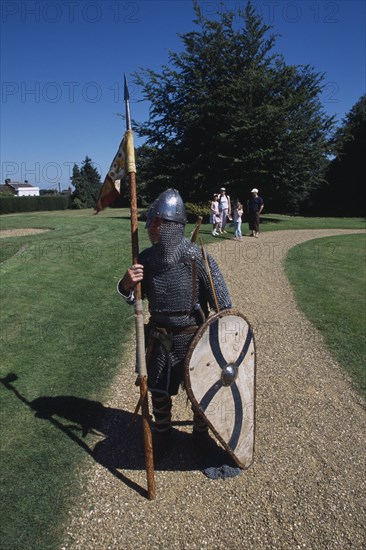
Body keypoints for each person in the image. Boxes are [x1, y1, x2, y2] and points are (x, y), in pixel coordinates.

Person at [118, 189, 232, 458]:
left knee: (201, 391)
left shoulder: (197, 258)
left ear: (173, 225)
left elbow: (223, 304)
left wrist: (223, 339)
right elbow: (134, 297)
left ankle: (201, 436)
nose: (152, 228)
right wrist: (126, 283)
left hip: (193, 337)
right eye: (152, 221)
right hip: (160, 336)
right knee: (158, 391)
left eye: (159, 222)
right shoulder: (145, 259)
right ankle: (163, 435)